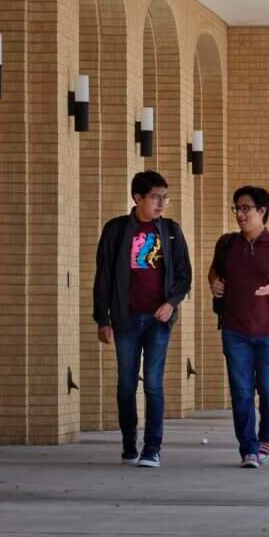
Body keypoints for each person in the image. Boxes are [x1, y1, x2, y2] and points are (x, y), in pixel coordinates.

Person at [93, 170, 191, 468]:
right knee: (126, 384)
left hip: (158, 320)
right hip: (126, 319)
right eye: (155, 197)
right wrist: (102, 319)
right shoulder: (116, 230)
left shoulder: (171, 231)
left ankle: (152, 448)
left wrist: (171, 303)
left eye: (165, 197)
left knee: (153, 383)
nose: (161, 203)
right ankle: (128, 444)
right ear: (137, 198)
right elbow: (103, 277)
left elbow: (184, 275)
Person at [209, 184, 269, 468]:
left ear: (262, 211)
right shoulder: (226, 244)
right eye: (237, 208)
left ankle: (266, 437)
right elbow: (215, 270)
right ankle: (248, 449)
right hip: (235, 332)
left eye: (246, 208)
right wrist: (214, 283)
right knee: (242, 393)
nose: (240, 214)